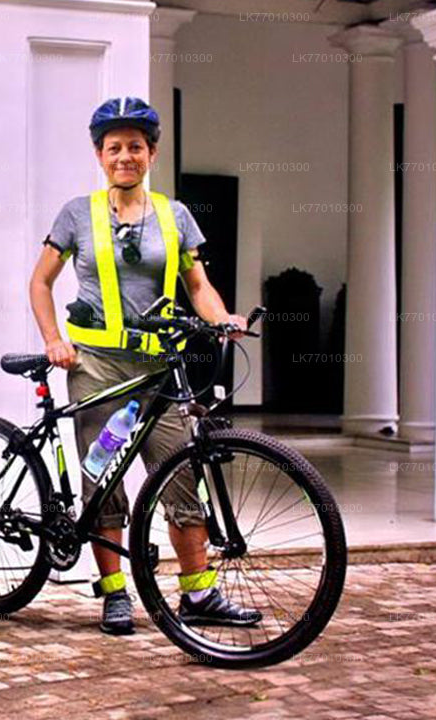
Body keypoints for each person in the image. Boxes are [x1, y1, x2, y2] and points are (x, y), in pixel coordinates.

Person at [28, 97, 262, 635]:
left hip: (158, 370)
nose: (125, 156)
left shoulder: (174, 216)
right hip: (98, 368)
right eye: (114, 148)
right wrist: (54, 340)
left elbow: (197, 285)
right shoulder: (76, 214)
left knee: (180, 473)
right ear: (99, 155)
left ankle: (198, 592)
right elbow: (40, 281)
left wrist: (222, 318)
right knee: (103, 479)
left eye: (135, 146)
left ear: (151, 153)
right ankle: (114, 592)